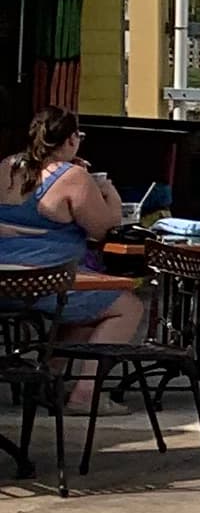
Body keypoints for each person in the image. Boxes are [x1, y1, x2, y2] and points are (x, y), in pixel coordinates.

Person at [0, 108, 144, 400]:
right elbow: (105, 229)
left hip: (4, 280)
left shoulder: (7, 166)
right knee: (128, 306)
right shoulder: (74, 178)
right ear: (70, 139)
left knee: (86, 310)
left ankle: (47, 376)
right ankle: (85, 393)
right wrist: (108, 193)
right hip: (45, 282)